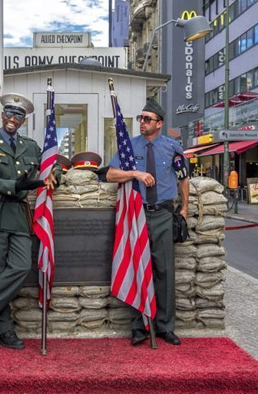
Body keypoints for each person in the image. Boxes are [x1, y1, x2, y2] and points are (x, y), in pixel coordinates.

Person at [0, 93, 61, 350]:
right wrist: (16, 184)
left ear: (23, 120)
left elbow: (50, 166)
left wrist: (54, 176)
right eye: (9, 113)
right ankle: (3, 328)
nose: (12, 119)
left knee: (19, 266)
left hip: (18, 215)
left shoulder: (30, 146)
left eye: (18, 115)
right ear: (2, 114)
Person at [104, 98, 189, 347]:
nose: (142, 122)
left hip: (163, 215)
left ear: (159, 123)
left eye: (147, 119)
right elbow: (109, 174)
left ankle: (165, 326)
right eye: (141, 118)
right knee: (137, 268)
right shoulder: (130, 146)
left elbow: (183, 179)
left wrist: (184, 209)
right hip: (137, 215)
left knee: (164, 270)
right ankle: (139, 327)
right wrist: (134, 173)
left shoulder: (173, 148)